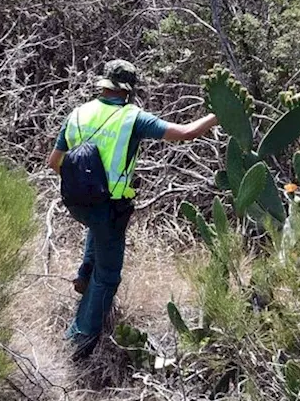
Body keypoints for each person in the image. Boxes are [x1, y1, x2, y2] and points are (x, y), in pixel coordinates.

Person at [46, 60, 219, 359]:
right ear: (128, 90)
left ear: (103, 85)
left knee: (97, 235)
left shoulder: (76, 114)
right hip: (109, 207)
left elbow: (54, 162)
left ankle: (85, 273)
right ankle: (81, 338)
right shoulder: (131, 118)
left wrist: (84, 185)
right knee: (109, 275)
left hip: (77, 202)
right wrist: (219, 116)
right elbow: (186, 133)